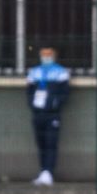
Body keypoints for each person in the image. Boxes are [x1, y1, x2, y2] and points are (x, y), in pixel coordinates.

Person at [26, 47, 70, 186]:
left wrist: (54, 104)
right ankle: (43, 171)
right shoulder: (35, 72)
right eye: (43, 55)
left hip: (52, 114)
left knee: (51, 142)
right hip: (38, 113)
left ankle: (49, 171)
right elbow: (29, 91)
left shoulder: (60, 72)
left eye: (48, 55)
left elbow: (64, 92)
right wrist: (33, 106)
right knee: (41, 143)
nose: (46, 57)